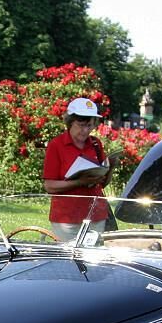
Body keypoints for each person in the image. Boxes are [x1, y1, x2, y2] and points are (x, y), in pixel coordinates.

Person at [42, 97, 117, 242]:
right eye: (81, 125)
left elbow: (102, 184)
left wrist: (110, 168)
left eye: (89, 125)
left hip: (96, 214)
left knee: (93, 260)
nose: (85, 130)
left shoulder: (95, 143)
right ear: (70, 122)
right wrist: (79, 182)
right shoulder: (56, 145)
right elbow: (49, 186)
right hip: (67, 218)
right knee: (69, 260)